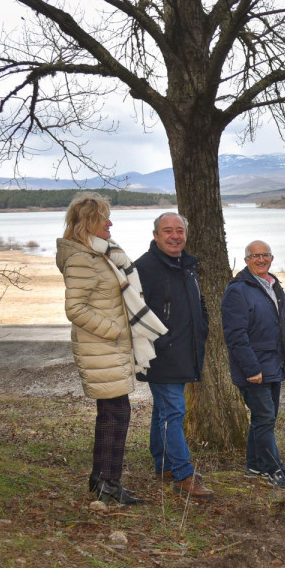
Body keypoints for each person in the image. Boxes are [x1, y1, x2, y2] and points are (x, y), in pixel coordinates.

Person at [56, 192, 167, 505]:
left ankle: (103, 481)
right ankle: (107, 484)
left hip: (108, 349)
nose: (111, 223)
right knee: (115, 415)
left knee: (114, 414)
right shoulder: (82, 259)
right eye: (105, 218)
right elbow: (75, 308)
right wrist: (116, 331)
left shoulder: (99, 255)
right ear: (91, 222)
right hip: (101, 348)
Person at [134, 212, 213, 499]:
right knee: (174, 412)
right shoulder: (144, 267)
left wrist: (202, 328)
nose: (175, 236)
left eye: (179, 230)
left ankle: (164, 465)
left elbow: (198, 304)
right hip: (161, 354)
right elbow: (135, 313)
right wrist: (162, 342)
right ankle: (183, 474)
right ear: (156, 235)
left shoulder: (187, 266)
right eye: (168, 231)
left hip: (185, 351)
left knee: (164, 411)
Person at [222, 240, 285, 490]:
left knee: (264, 418)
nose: (260, 259)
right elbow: (235, 335)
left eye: (265, 255)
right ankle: (273, 470)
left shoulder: (274, 286)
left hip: (275, 365)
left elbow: (283, 326)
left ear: (271, 258)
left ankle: (254, 465)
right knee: (265, 417)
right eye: (254, 256)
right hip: (254, 368)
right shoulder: (238, 290)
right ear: (246, 260)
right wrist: (251, 368)